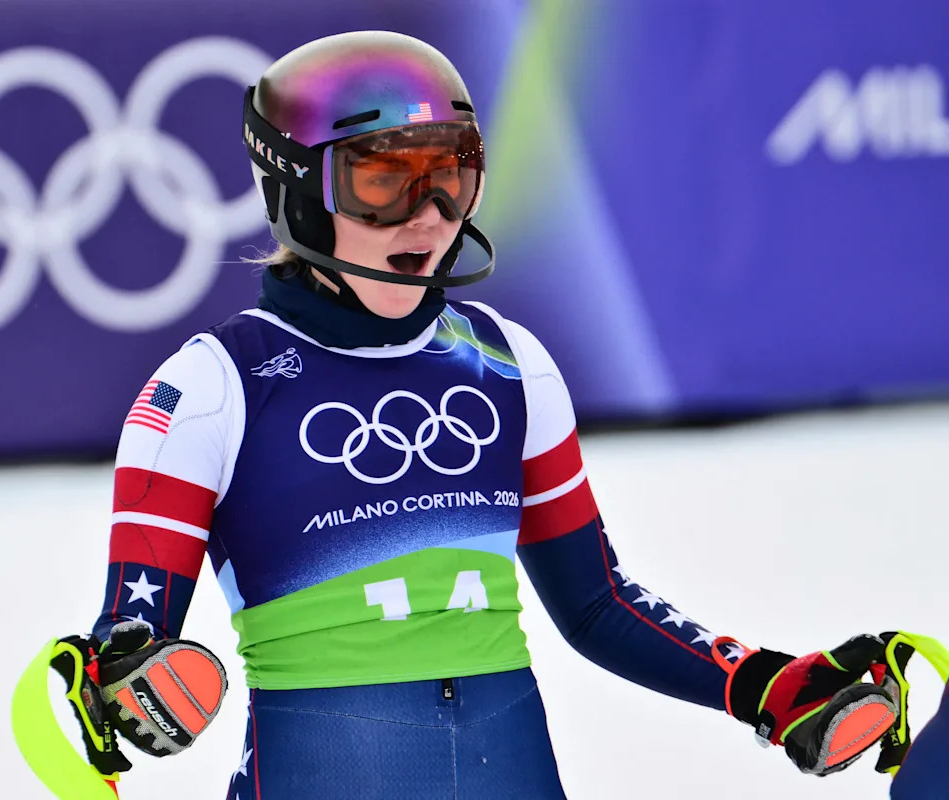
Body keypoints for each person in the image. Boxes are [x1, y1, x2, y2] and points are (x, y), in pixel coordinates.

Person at [58, 31, 919, 798]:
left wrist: (763, 683)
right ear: (298, 191)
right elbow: (129, 644)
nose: (428, 218)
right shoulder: (211, 386)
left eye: (450, 177)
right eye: (382, 182)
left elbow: (597, 605)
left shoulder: (509, 360)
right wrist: (120, 678)